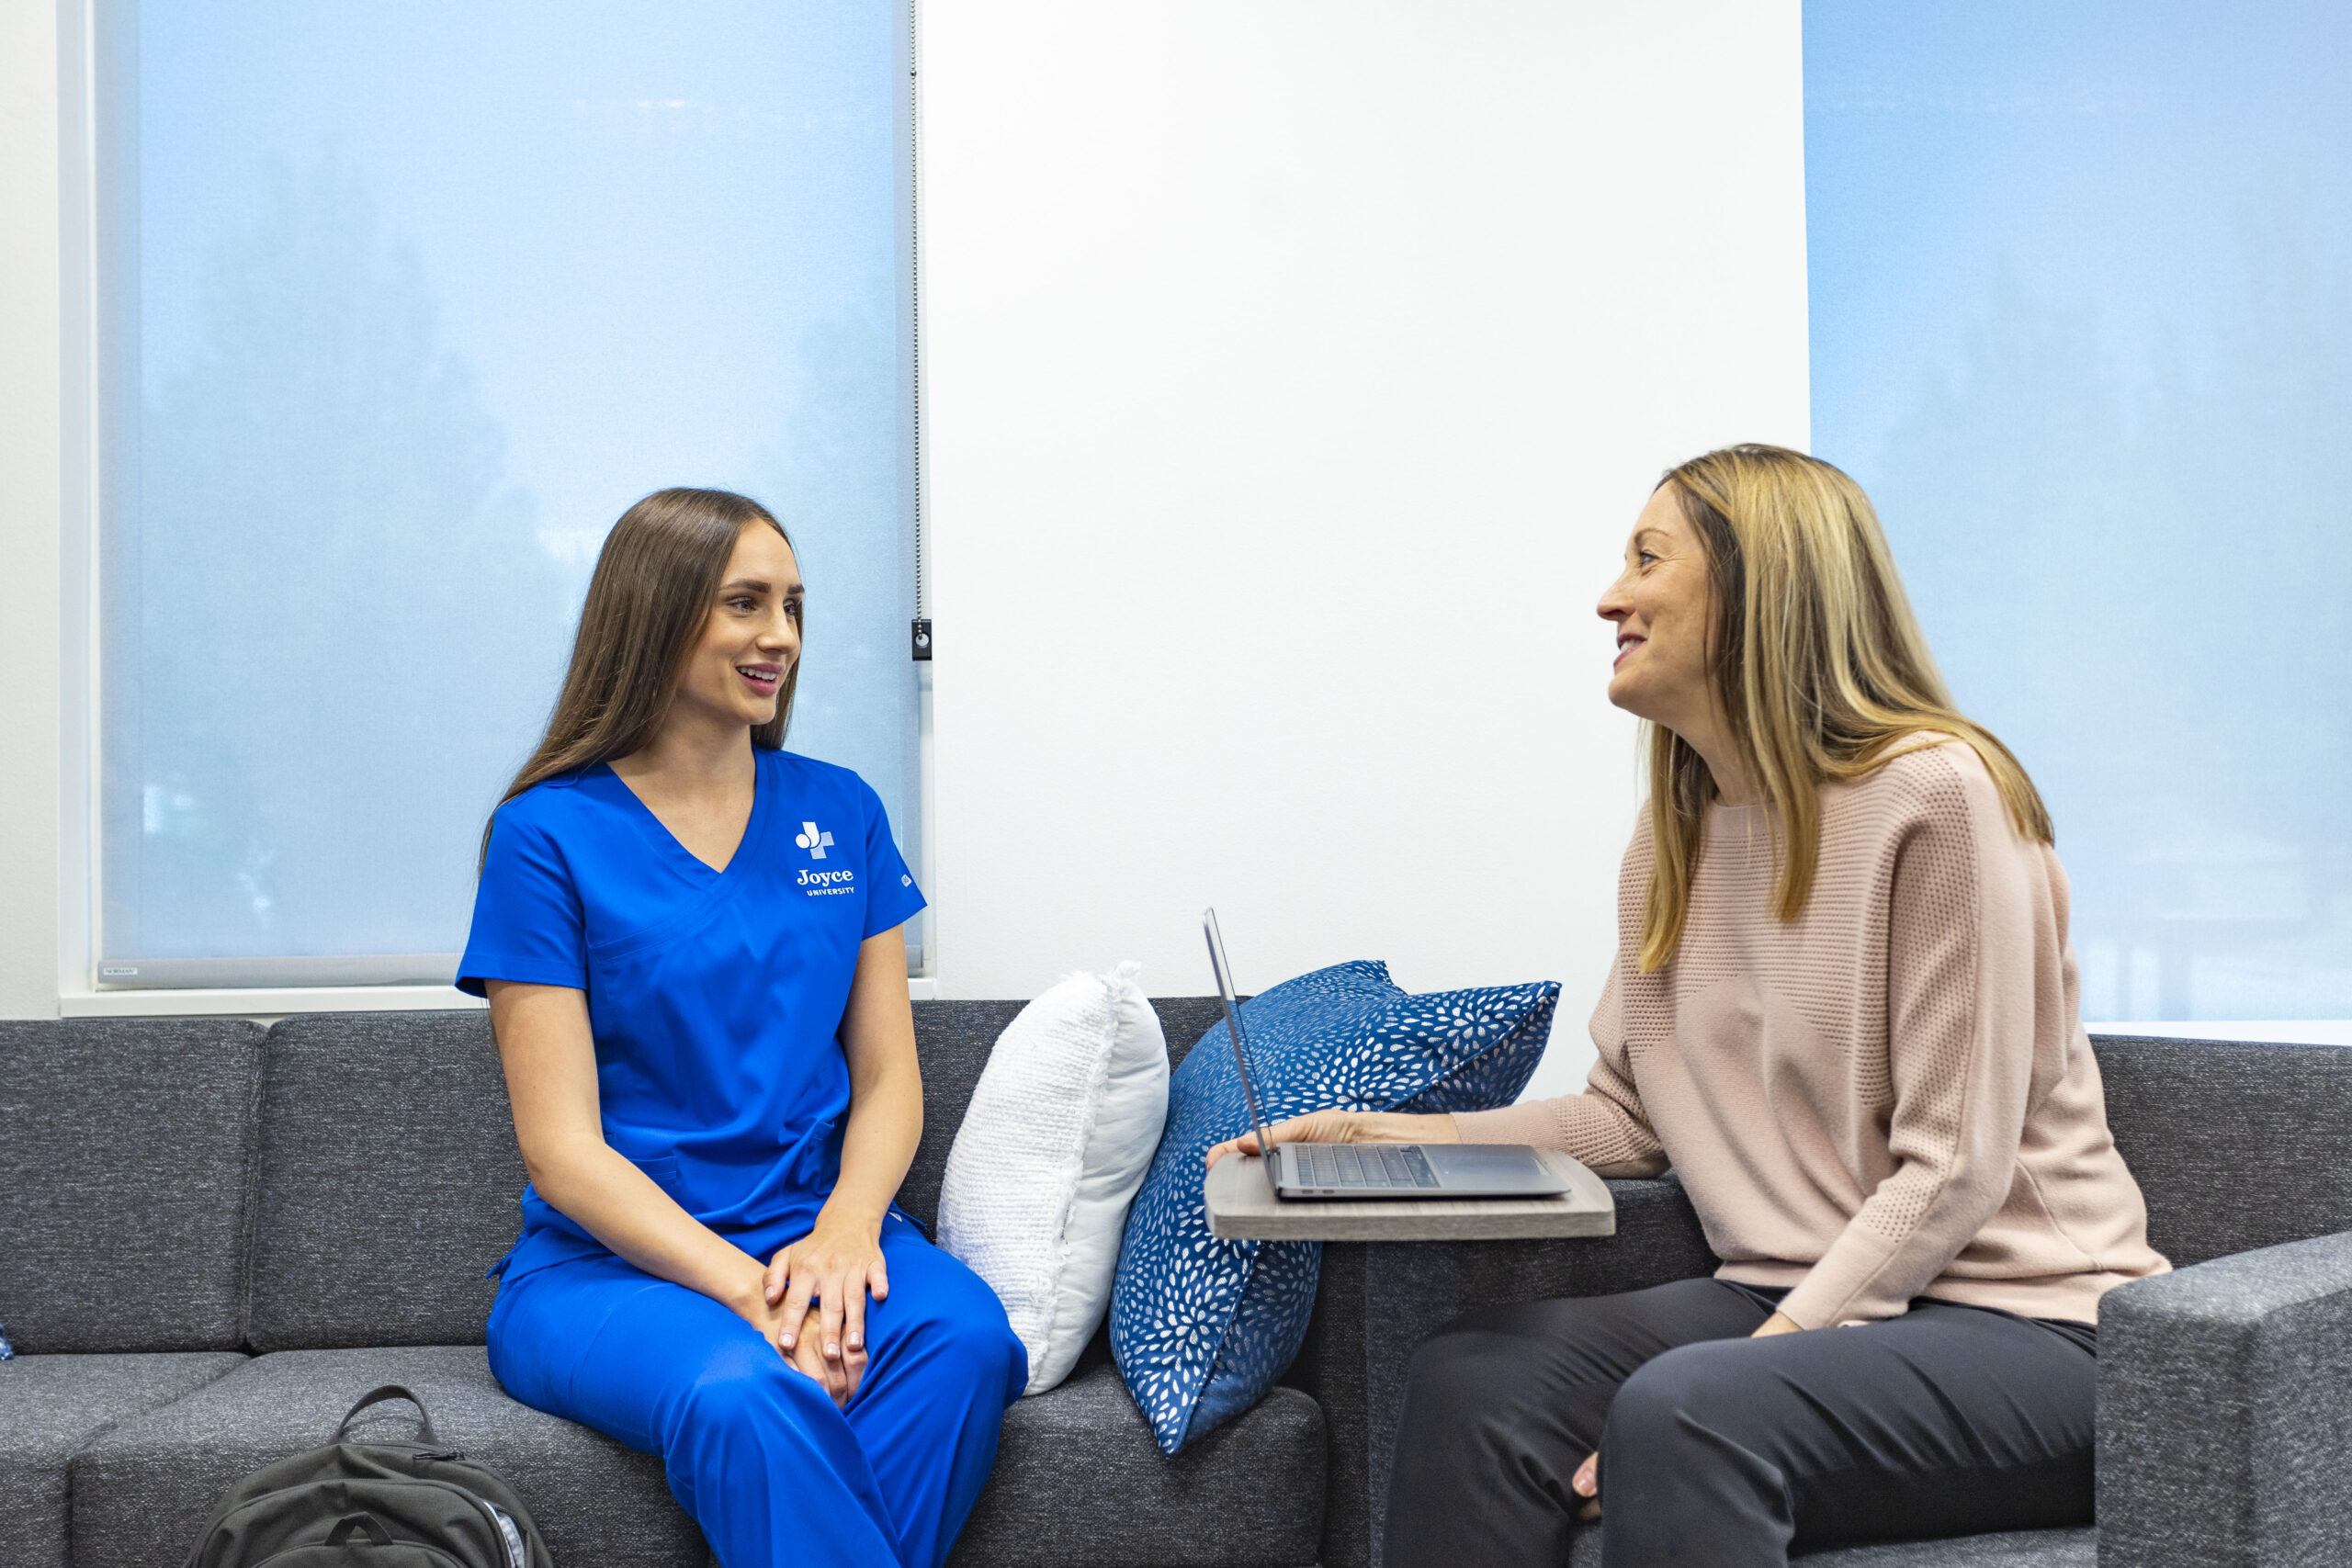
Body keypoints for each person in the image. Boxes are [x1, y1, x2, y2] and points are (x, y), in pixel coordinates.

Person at [1205, 445, 2169, 1566]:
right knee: (1476, 1381)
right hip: (1788, 1294)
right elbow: (1629, 1118)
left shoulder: (1939, 799)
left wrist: (1777, 1349)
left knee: (1691, 1411)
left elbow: (1952, 1168)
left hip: (2031, 1328)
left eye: (1646, 560)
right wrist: (1385, 1135)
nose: (1608, 597)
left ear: (1761, 586)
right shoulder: (1671, 844)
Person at [460, 489, 1024, 1568]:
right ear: (656, 616)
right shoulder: (545, 836)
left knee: (965, 1342)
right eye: (746, 604)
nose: (781, 637)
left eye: (794, 607)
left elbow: (888, 1078)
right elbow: (562, 1152)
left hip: (823, 1236)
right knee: (744, 1395)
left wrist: (851, 1231)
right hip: (613, 1272)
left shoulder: (842, 810)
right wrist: (751, 1296)